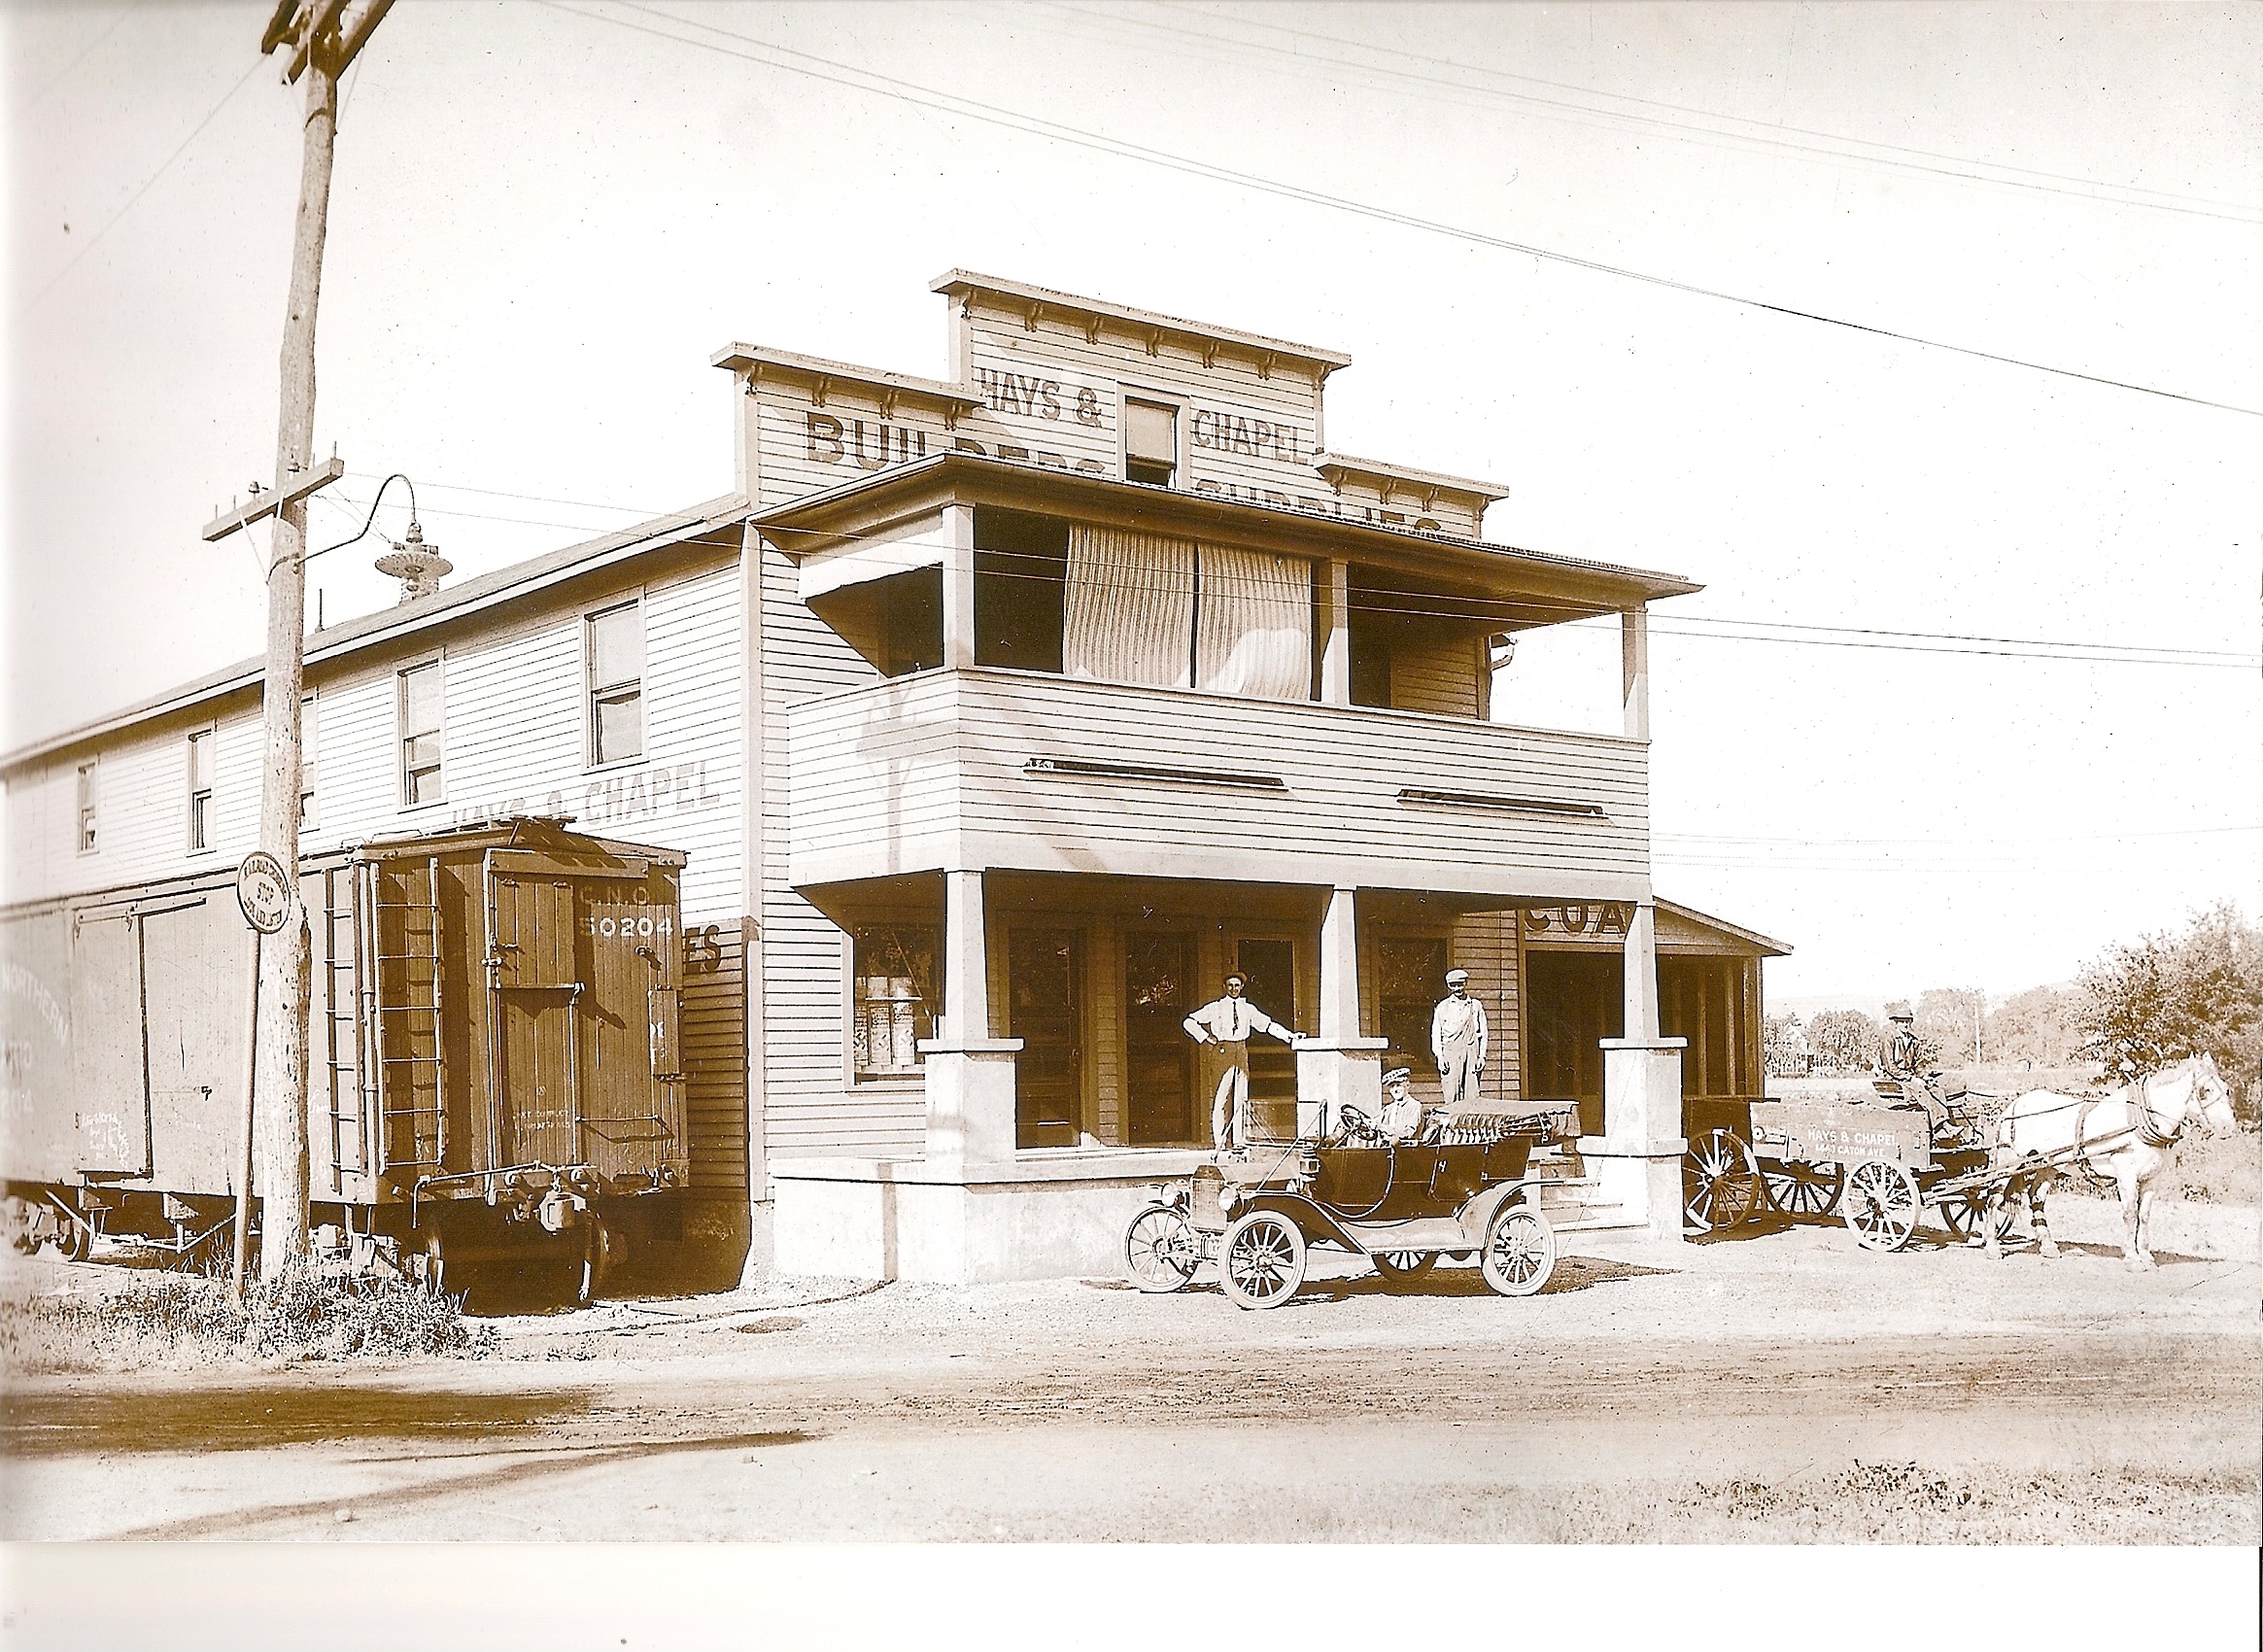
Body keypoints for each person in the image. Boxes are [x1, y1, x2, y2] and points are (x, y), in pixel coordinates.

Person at [1183, 971, 1301, 1153]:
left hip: (1241, 1050)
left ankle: (1239, 1141)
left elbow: (1267, 1025)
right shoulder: (1216, 1007)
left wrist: (1290, 1036)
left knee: (1241, 1097)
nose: (1233, 989)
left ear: (1242, 987)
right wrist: (1207, 1037)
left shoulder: (1248, 1009)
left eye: (1237, 985)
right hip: (1223, 1051)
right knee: (1222, 1097)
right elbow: (1189, 1021)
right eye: (1230, 985)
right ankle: (1220, 1142)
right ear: (1224, 987)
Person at [1430, 968, 1487, 1110]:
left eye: (1460, 984)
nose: (1457, 988)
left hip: (1471, 1051)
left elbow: (1483, 1033)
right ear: (1449, 986)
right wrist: (1440, 1057)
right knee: (1451, 1095)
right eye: (1453, 985)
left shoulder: (1475, 1006)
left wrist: (1481, 1056)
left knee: (1472, 1094)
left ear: (1466, 983)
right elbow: (1436, 1034)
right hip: (1450, 1054)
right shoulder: (1443, 1007)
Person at [1377, 1067, 1423, 1141]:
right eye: (1392, 1086)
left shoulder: (1414, 1106)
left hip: (1406, 1150)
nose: (1395, 1090)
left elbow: (1409, 1133)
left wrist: (1387, 1130)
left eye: (1398, 1085)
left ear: (1407, 1085)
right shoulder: (1387, 1109)